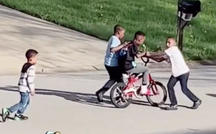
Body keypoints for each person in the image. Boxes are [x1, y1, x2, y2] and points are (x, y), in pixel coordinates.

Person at [148, 37, 201, 110]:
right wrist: (149, 57)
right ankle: (174, 104)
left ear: (174, 43)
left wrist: (149, 53)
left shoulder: (173, 49)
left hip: (183, 72)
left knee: (184, 89)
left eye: (169, 42)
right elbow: (159, 59)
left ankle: (196, 100)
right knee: (170, 86)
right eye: (167, 42)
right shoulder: (169, 52)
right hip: (176, 73)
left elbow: (161, 54)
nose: (167, 44)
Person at [2, 49, 38, 121]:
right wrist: (32, 89)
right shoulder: (31, 67)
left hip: (22, 87)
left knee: (26, 102)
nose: (37, 60)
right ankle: (8, 110)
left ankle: (18, 115)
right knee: (22, 103)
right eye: (36, 58)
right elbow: (30, 80)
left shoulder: (25, 65)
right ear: (31, 58)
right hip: (25, 88)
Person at [96, 25, 128, 102]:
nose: (123, 35)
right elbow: (113, 49)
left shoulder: (113, 38)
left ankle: (103, 92)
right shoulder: (115, 39)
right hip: (112, 64)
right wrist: (123, 45)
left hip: (109, 63)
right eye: (122, 33)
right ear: (118, 32)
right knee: (118, 80)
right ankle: (120, 96)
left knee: (115, 79)